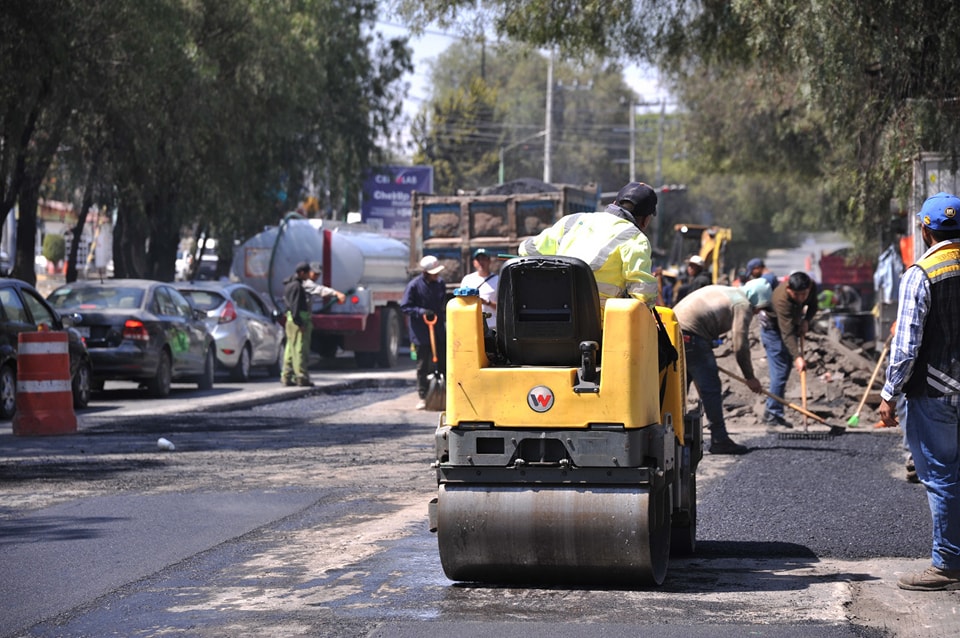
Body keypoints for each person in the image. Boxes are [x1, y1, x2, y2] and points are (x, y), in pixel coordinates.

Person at [879, 191, 960, 591]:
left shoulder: (921, 273)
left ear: (925, 231)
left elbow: (907, 345)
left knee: (943, 477)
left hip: (935, 392)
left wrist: (888, 392)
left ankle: (946, 564)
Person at [672, 278, 773, 455]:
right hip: (690, 335)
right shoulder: (742, 304)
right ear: (757, 300)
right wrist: (750, 377)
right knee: (711, 387)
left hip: (674, 331)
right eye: (760, 307)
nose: (757, 312)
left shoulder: (731, 292)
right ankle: (719, 439)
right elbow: (740, 345)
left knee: (679, 388)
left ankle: (673, 436)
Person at [518, 181, 659, 307]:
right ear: (646, 220)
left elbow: (527, 251)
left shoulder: (571, 221)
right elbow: (643, 295)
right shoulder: (635, 238)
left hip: (554, 317)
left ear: (615, 204)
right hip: (603, 327)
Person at [758, 270, 819, 427]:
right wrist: (798, 357)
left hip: (790, 324)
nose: (801, 298)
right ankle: (773, 414)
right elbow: (787, 334)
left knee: (783, 371)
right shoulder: (781, 299)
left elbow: (813, 305)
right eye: (797, 295)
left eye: (803, 294)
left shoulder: (811, 287)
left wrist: (806, 320)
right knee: (780, 370)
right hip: (772, 329)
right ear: (788, 290)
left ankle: (772, 410)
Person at [401, 255, 448, 410]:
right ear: (426, 272)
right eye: (434, 272)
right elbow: (405, 306)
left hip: (439, 330)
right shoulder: (414, 286)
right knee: (423, 365)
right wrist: (421, 312)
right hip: (421, 332)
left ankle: (445, 395)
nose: (437, 275)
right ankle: (423, 395)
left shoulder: (440, 283)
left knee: (444, 363)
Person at [281, 261, 314, 387]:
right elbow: (295, 306)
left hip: (290, 320)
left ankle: (287, 376)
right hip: (298, 319)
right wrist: (300, 323)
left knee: (290, 349)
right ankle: (301, 377)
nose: (308, 276)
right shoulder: (297, 287)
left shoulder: (289, 285)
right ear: (301, 273)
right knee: (300, 349)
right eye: (306, 273)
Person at [459, 248, 499, 331]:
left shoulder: (497, 280)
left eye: (484, 259)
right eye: (478, 259)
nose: (481, 262)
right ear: (474, 263)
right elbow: (461, 304)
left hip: (492, 326)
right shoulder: (468, 279)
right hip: (473, 325)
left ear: (489, 261)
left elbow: (503, 307)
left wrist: (487, 302)